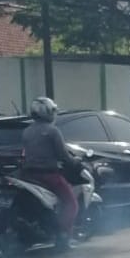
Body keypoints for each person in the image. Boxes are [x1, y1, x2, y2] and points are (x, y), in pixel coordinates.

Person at [21, 96, 79, 239]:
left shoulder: (27, 131)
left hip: (29, 175)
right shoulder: (53, 131)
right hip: (49, 176)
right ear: (47, 111)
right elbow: (63, 155)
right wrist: (75, 162)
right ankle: (63, 236)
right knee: (72, 204)